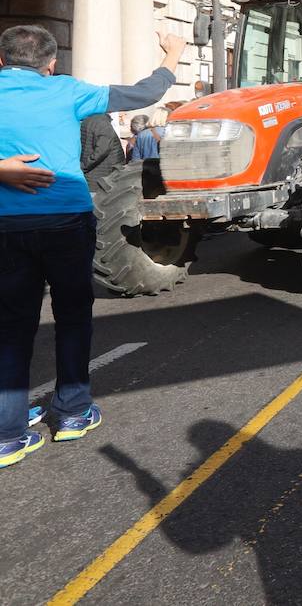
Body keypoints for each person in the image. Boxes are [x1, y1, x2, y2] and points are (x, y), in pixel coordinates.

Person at [0, 25, 186, 468]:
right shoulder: (68, 91)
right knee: (72, 318)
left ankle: (8, 433)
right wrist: (172, 54)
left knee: (11, 327)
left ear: (2, 60)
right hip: (66, 221)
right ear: (51, 64)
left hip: (7, 226)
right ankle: (72, 412)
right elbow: (144, 93)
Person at [79, 114, 123, 192]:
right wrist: (83, 166)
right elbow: (101, 151)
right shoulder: (103, 124)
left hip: (93, 175)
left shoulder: (85, 121)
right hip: (102, 176)